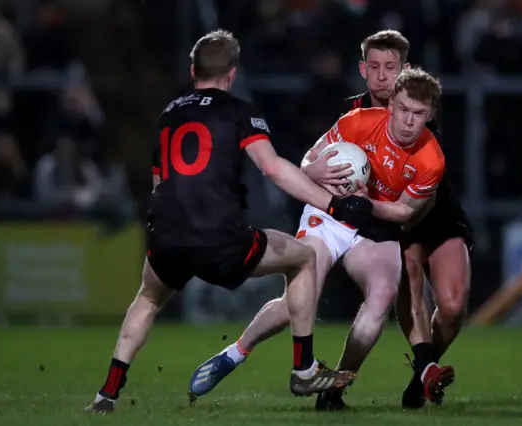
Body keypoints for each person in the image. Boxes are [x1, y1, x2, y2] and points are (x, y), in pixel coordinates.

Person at [85, 29, 373, 414]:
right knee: (303, 258)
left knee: (148, 299)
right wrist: (333, 204)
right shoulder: (240, 112)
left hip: (166, 232)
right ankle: (303, 367)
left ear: (193, 70)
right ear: (232, 74)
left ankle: (107, 393)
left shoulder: (169, 114)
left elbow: (159, 181)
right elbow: (273, 169)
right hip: (218, 236)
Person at [188, 67, 450, 405]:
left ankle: (333, 389)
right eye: (403, 109)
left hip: (374, 225)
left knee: (382, 296)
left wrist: (365, 204)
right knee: (299, 298)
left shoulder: (432, 159)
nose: (409, 121)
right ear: (391, 106)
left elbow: (405, 212)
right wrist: (315, 170)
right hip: (328, 212)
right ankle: (235, 352)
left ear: (430, 116)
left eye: (418, 114)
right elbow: (308, 160)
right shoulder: (357, 122)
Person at [313, 30, 473, 410]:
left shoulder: (416, 112)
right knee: (407, 280)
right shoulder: (353, 115)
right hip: (386, 220)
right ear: (363, 70)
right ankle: (421, 368)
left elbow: (421, 200)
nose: (383, 76)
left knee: (453, 305)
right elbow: (323, 160)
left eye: (392, 68)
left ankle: (423, 372)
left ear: (405, 72)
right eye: (376, 67)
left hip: (429, 213)